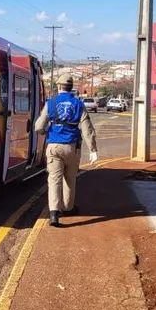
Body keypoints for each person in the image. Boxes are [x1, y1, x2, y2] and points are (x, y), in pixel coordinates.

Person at [34, 74, 98, 227]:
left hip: (54, 147)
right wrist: (93, 150)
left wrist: (47, 132)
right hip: (72, 147)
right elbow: (87, 129)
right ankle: (68, 208)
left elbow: (38, 127)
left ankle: (54, 214)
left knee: (54, 180)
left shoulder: (51, 103)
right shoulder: (78, 104)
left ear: (58, 86)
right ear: (71, 87)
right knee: (70, 179)